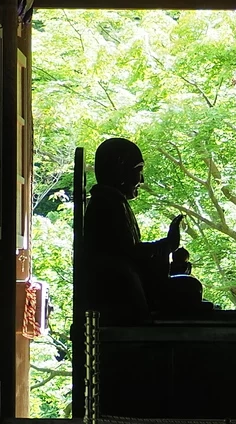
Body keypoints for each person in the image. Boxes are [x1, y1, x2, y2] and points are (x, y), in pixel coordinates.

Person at [82, 136, 208, 321]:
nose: (142, 179)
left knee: (190, 287)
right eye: (138, 170)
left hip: (130, 284)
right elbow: (130, 253)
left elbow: (131, 253)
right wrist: (167, 245)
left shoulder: (114, 202)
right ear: (120, 171)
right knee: (190, 288)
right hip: (121, 292)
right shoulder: (107, 204)